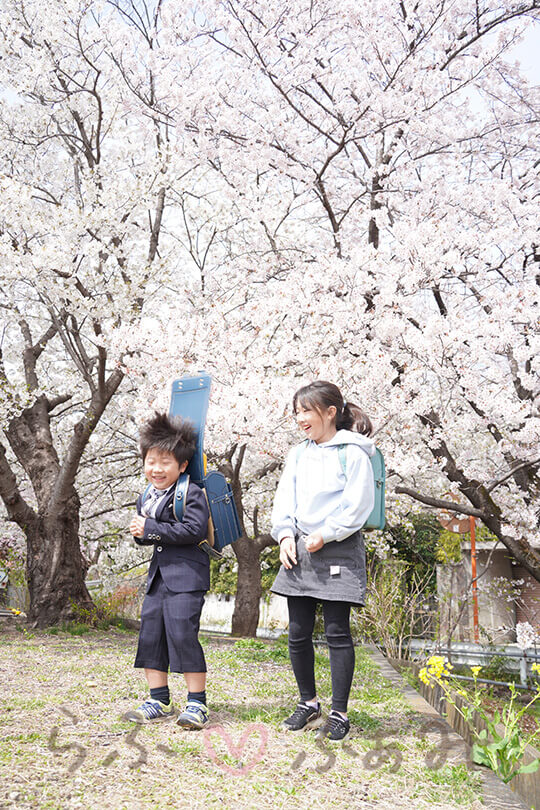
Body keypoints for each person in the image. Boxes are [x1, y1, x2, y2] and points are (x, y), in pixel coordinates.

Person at [271, 380, 375, 742]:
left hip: (338, 547)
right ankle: (308, 703)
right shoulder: (298, 454)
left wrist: (326, 534)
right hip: (300, 546)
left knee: (336, 632)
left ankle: (339, 713)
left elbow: (358, 506)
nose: (300, 418)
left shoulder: (353, 453)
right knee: (298, 632)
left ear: (330, 413)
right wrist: (285, 536)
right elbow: (284, 499)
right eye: (297, 411)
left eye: (307, 411)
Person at [124, 412, 211, 729]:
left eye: (165, 462)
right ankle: (158, 699)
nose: (156, 469)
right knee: (151, 634)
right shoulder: (146, 497)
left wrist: (150, 529)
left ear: (182, 465)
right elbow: (150, 536)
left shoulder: (191, 493)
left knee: (183, 634)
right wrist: (141, 533)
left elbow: (193, 530)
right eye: (151, 461)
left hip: (187, 578)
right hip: (158, 578)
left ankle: (197, 703)